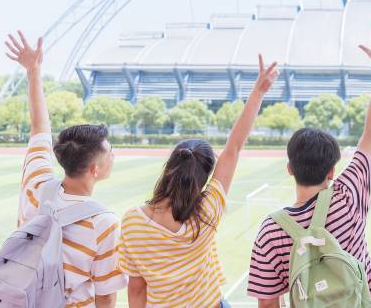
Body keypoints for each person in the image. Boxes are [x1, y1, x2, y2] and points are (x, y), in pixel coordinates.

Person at [247, 20, 371, 308]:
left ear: (289, 169)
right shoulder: (347, 196)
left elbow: (268, 304)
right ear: (332, 171)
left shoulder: (271, 230)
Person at [118, 53, 280, 307]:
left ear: (170, 166)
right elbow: (233, 147)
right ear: (203, 178)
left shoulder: (131, 222)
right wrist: (258, 92)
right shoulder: (207, 211)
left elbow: (137, 290)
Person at [5, 31, 127, 308]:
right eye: (111, 153)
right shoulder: (103, 223)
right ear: (94, 170)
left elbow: (39, 128)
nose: (114, 156)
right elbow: (106, 295)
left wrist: (33, 71)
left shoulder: (36, 184)